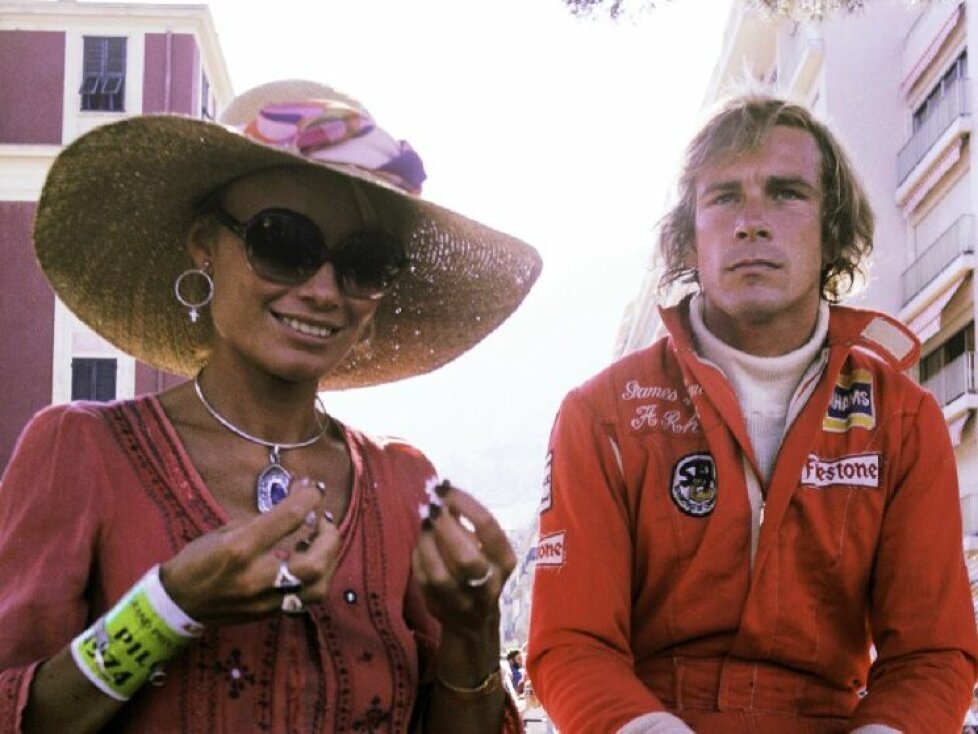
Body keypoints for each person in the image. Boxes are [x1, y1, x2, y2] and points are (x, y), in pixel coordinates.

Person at [0, 78, 542, 733]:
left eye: (363, 264)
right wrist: (167, 608)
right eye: (283, 242)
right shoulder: (81, 453)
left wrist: (474, 633)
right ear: (206, 245)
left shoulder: (406, 487)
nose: (322, 290)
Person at [527, 94, 978, 734]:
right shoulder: (600, 415)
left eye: (787, 193)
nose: (752, 223)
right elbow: (571, 643)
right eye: (725, 197)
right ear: (687, 238)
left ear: (833, 232)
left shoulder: (904, 419)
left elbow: (932, 653)